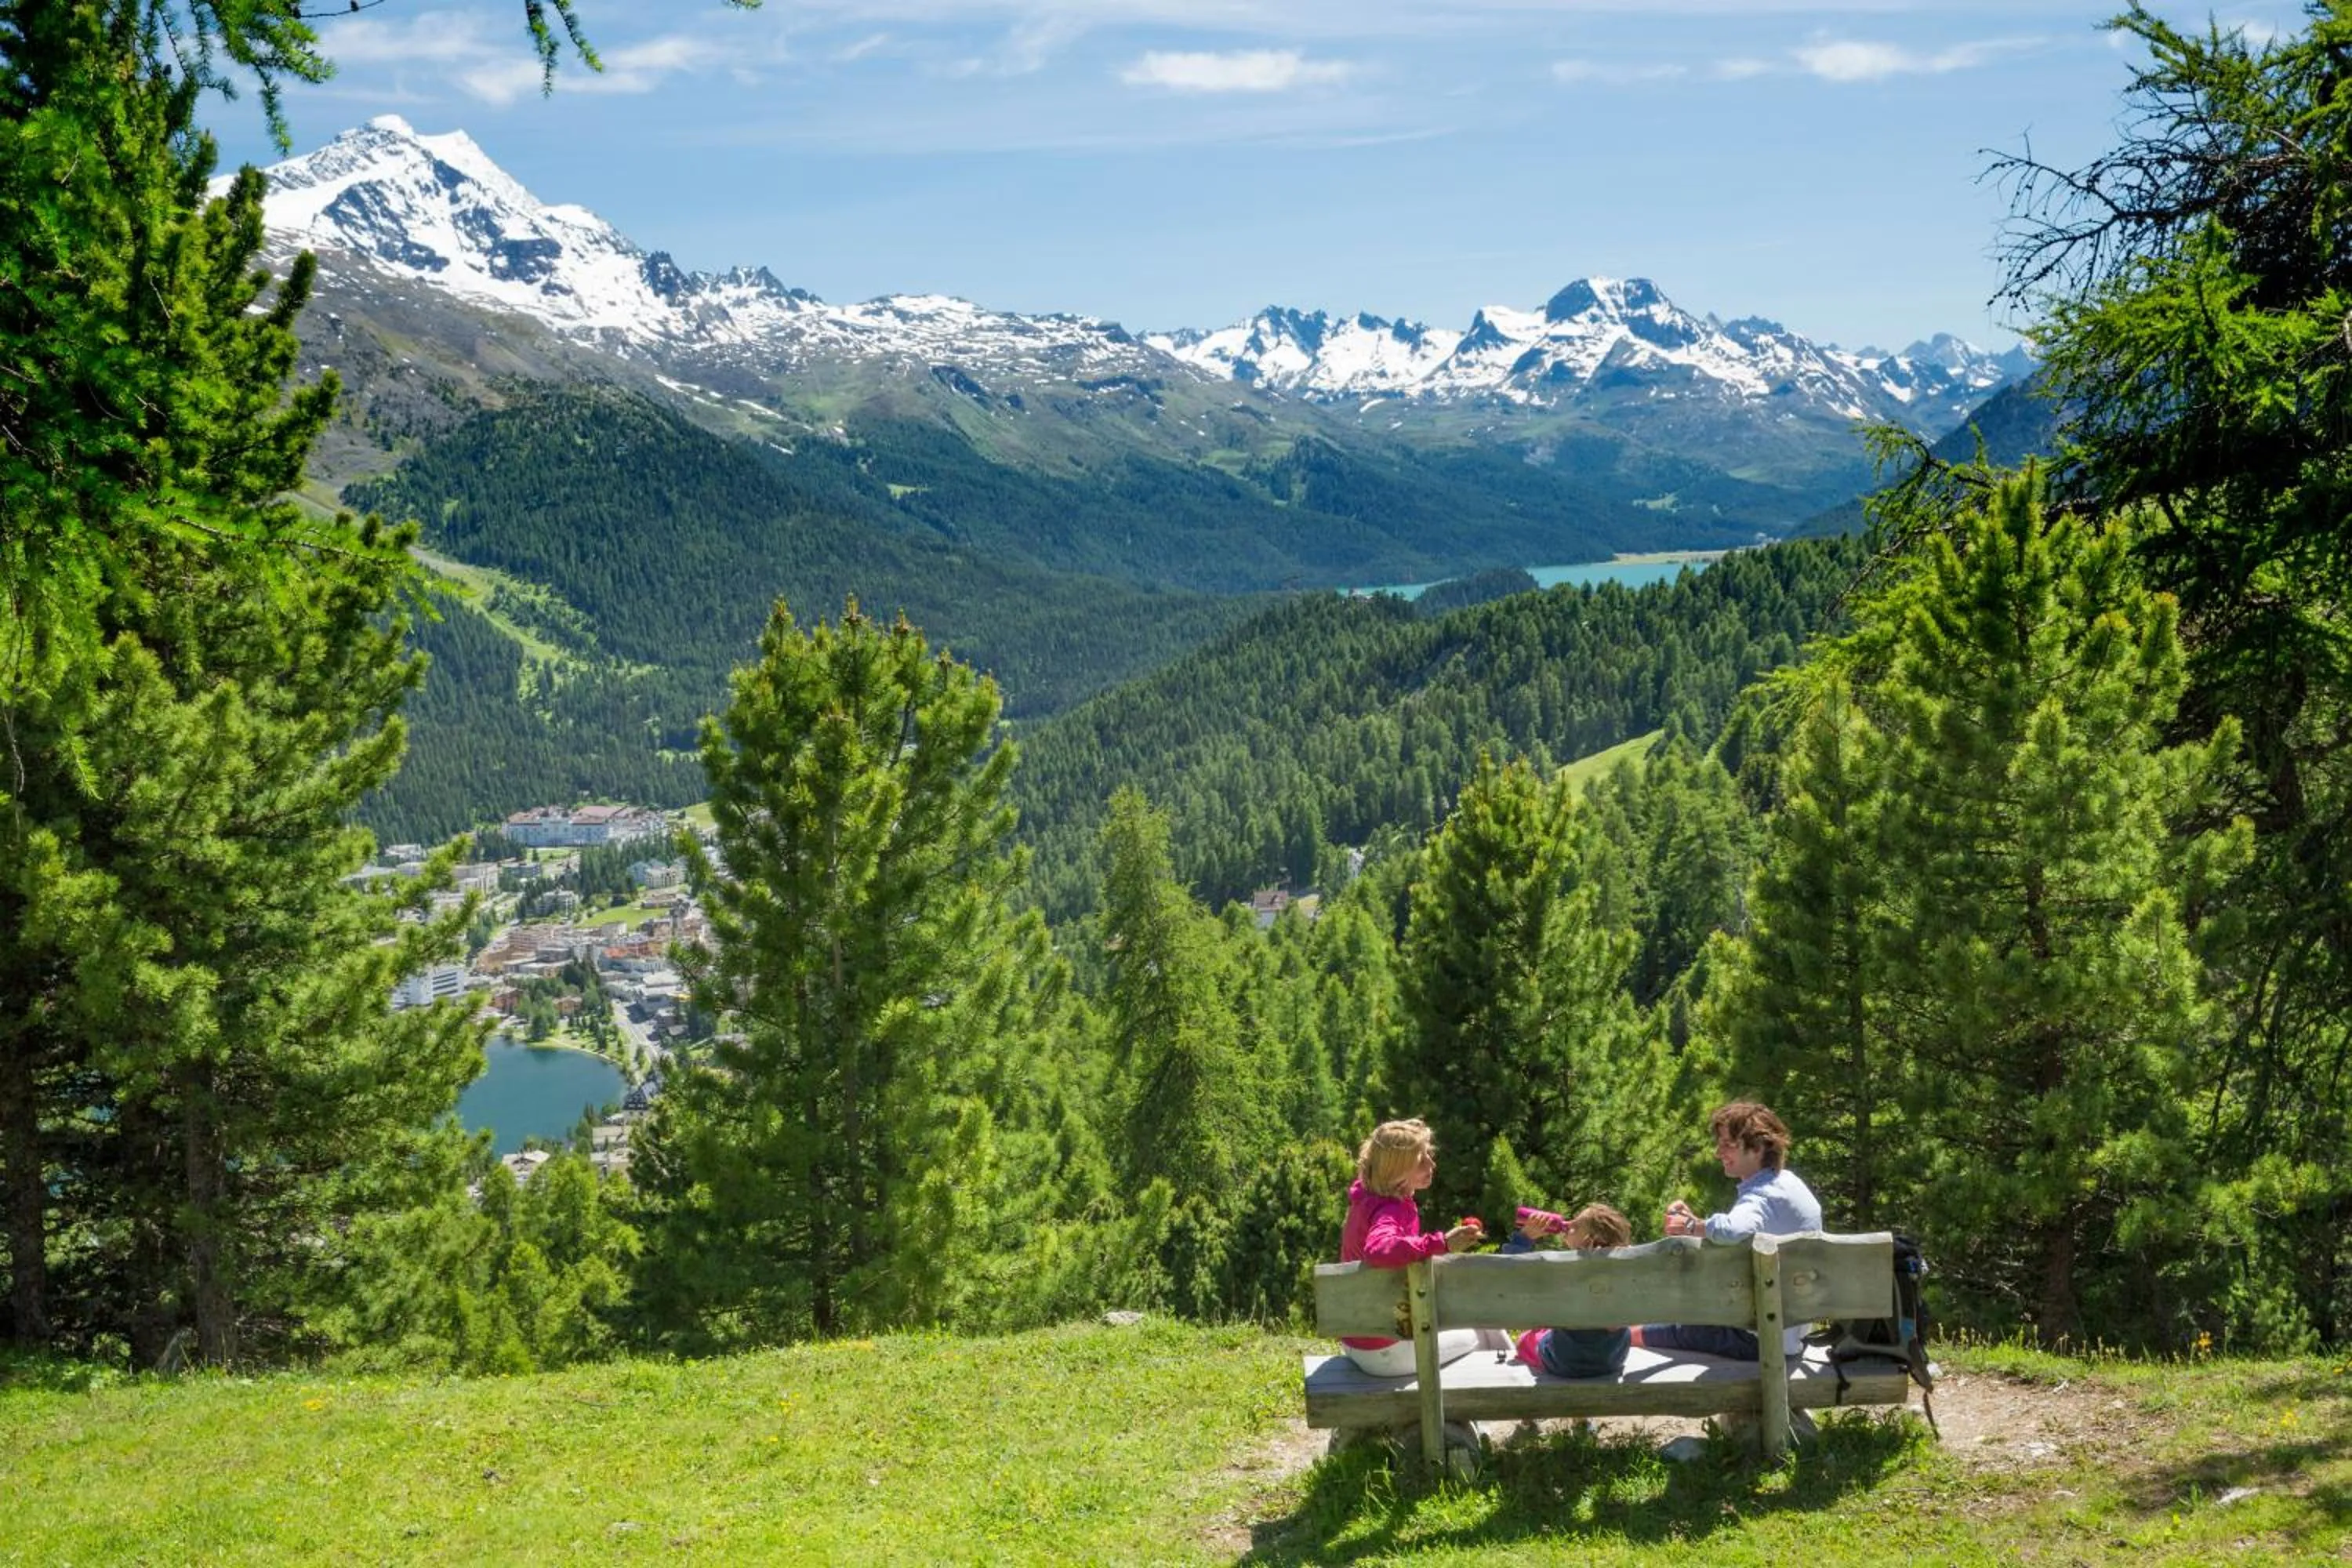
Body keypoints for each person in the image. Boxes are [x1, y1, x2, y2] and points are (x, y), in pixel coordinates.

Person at [1631, 1100, 1822, 1360]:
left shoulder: (1761, 1196)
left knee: (1678, 1330)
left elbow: (1733, 1230)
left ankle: (1617, 1336)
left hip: (1763, 1341)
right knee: (1685, 1319)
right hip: (1791, 1335)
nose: (1717, 1153)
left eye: (1728, 1145)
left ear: (1758, 1148)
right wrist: (1698, 1223)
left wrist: (1692, 1226)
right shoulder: (1790, 1184)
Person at [1336, 1118, 1486, 1376]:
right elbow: (1380, 1248)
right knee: (1482, 1330)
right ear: (1396, 1171)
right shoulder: (1389, 1210)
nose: (1432, 1164)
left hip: (1358, 1341)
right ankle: (1499, 1405)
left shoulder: (1366, 1196)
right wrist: (1444, 1243)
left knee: (1475, 1320)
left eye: (1429, 1154)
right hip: (1385, 1351)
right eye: (1420, 1161)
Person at [1500, 1202, 1634, 1378]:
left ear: (1590, 1240)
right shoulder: (1628, 1270)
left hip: (1565, 1361)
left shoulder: (1563, 1271)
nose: (1568, 1224)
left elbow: (1509, 1279)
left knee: (1526, 1339)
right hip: (1613, 1360)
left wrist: (1524, 1238)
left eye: (1576, 1226)